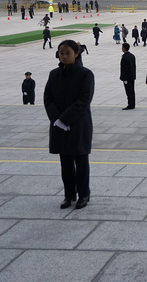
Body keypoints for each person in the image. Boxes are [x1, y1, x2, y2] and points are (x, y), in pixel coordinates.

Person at [44, 40, 95, 210]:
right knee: (65, 164)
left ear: (76, 54)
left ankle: (84, 194)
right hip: (59, 126)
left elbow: (84, 100)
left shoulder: (85, 74)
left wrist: (64, 119)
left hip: (78, 125)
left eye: (68, 53)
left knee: (81, 163)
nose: (64, 56)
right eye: (61, 53)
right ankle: (69, 194)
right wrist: (57, 120)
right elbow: (48, 98)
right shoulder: (54, 74)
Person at [119, 43, 136, 110]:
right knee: (132, 90)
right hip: (132, 76)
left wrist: (124, 78)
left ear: (124, 48)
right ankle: (132, 103)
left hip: (127, 77)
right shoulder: (132, 56)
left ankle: (130, 104)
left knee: (128, 91)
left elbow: (124, 69)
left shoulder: (124, 57)